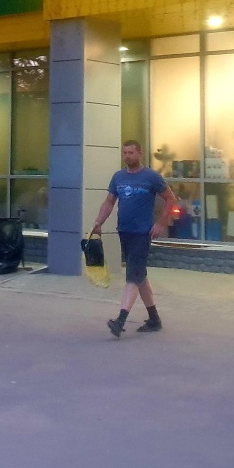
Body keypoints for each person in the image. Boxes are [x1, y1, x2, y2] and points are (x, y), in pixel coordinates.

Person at [90, 140, 179, 338]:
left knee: (132, 276)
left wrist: (160, 223)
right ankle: (154, 319)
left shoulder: (151, 177)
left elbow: (171, 200)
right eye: (125, 153)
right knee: (139, 275)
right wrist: (98, 222)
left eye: (131, 153)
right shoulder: (118, 177)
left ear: (140, 153)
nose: (127, 156)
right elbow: (109, 202)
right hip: (124, 231)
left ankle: (120, 320)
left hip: (142, 233)